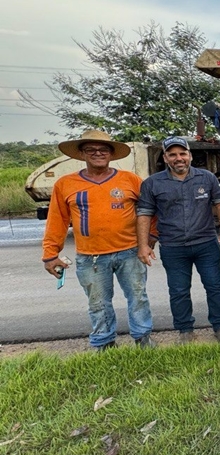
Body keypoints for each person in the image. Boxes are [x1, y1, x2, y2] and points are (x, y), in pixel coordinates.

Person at [41, 130, 154, 350]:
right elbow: (57, 221)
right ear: (82, 154)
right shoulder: (65, 184)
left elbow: (150, 210)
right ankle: (104, 343)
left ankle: (143, 339)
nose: (98, 153)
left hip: (130, 252)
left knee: (138, 297)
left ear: (111, 154)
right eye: (91, 150)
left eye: (103, 150)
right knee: (98, 304)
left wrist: (149, 239)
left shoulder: (130, 180)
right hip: (90, 257)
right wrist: (50, 254)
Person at [137, 136, 220, 345]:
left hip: (206, 243)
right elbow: (144, 213)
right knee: (179, 290)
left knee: (215, 286)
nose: (178, 158)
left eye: (182, 153)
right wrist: (143, 245)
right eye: (172, 154)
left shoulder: (207, 178)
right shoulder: (152, 183)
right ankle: (185, 330)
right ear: (165, 157)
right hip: (173, 246)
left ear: (189, 155)